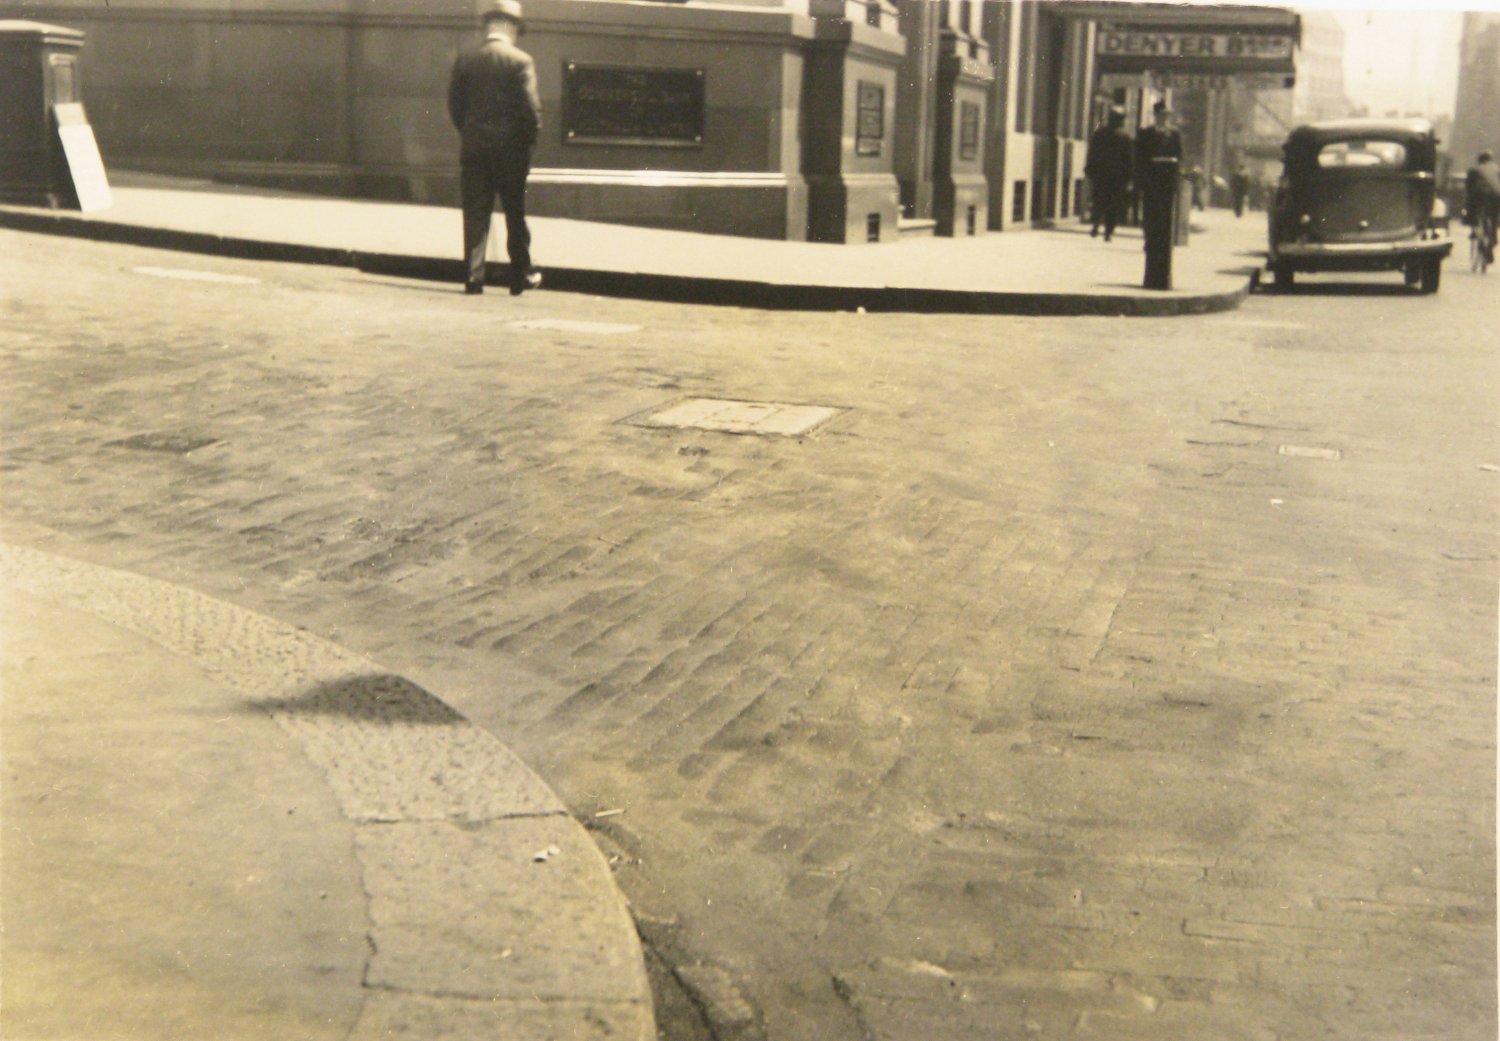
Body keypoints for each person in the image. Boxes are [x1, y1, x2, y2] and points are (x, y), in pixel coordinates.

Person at [448, 0, 543, 296]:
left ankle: (474, 276)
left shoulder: (466, 59)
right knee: (515, 211)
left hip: (474, 147)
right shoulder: (520, 60)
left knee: (475, 212)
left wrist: (470, 132)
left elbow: (455, 105)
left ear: (489, 25)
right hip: (511, 150)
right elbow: (530, 109)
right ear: (509, 26)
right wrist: (529, 139)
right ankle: (519, 276)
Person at [1133, 100, 1182, 290]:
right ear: (1155, 116)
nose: (1164, 118)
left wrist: (1177, 181)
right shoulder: (1145, 134)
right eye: (1161, 115)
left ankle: (1163, 278)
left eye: (1167, 115)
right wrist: (1140, 183)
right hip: (1152, 187)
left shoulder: (1174, 135)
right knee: (1151, 226)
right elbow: (1139, 160)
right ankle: (1151, 277)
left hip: (1167, 188)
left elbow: (1179, 158)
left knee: (1165, 229)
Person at [1084, 106, 1133, 241]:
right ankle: (1108, 231)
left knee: (1099, 201)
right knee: (1112, 204)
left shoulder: (1101, 133)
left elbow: (1092, 153)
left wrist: (1090, 169)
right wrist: (1129, 177)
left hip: (1103, 175)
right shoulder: (1124, 136)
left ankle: (1096, 225)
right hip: (1115, 176)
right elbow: (1129, 159)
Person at [1464, 150, 1500, 263]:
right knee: (1494, 220)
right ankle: (1492, 240)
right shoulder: (1497, 169)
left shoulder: (1474, 171)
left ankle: (1474, 230)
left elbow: (1468, 188)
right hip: (1494, 199)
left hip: (1477, 200)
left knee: (1472, 214)